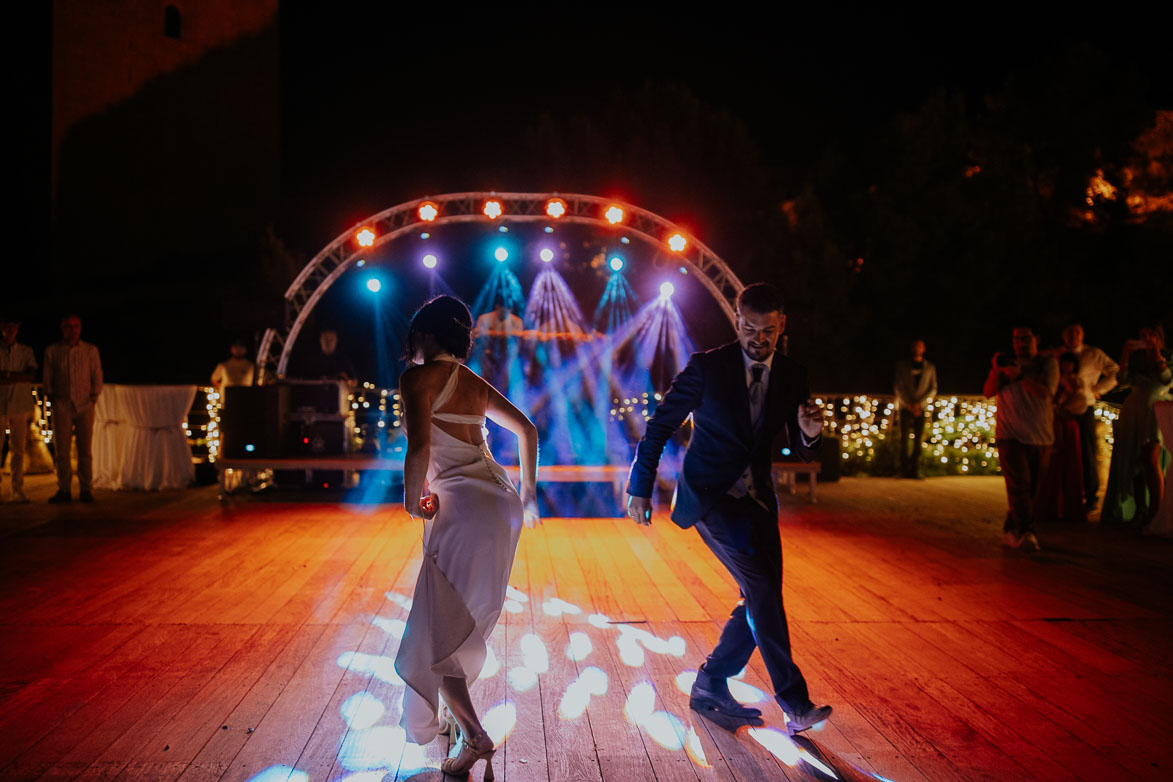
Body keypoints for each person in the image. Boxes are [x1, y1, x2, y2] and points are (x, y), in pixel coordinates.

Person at [625, 283, 832, 736]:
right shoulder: (707, 368)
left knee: (760, 594)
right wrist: (640, 487)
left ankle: (710, 683)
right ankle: (794, 703)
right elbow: (659, 427)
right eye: (750, 329)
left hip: (758, 499)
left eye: (768, 331)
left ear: (782, 327)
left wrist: (811, 433)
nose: (758, 339)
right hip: (711, 497)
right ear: (737, 322)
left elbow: (799, 447)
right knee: (762, 589)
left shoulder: (794, 374)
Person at [393, 295, 539, 780]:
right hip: (502, 501)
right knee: (464, 620)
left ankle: (474, 735)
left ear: (424, 336)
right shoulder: (473, 383)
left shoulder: (417, 378)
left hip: (463, 509)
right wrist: (531, 494)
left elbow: (419, 447)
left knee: (438, 628)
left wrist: (413, 500)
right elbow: (528, 429)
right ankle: (460, 729)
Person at [983, 326, 1059, 551]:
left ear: (1036, 339)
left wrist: (1021, 376)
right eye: (1016, 339)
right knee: (1019, 486)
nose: (1020, 343)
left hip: (1041, 436)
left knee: (1031, 490)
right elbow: (988, 391)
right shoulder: (1006, 364)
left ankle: (1010, 529)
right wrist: (998, 372)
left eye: (1025, 338)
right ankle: (1027, 533)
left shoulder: (1047, 364)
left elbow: (1047, 393)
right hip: (1010, 435)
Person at [1101, 325, 1172, 525]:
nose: (1146, 339)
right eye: (1142, 336)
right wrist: (1125, 354)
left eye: (1151, 335)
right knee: (1134, 460)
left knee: (1151, 459)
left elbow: (1167, 379)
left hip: (1155, 409)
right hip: (1133, 409)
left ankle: (1156, 511)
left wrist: (1156, 353)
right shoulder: (1136, 359)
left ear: (1159, 338)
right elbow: (1122, 379)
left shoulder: (1167, 356)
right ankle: (1139, 509)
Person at [43, 314, 104, 503]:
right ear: (63, 328)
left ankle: (86, 488)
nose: (73, 330)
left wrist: (94, 395)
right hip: (62, 403)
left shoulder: (90, 350)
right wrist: (52, 396)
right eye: (69, 326)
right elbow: (48, 376)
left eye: (76, 326)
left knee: (84, 449)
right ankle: (64, 489)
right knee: (62, 450)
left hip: (85, 403)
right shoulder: (53, 351)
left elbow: (96, 374)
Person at [1060, 323, 1118, 512]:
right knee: (1063, 452)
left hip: (1085, 407)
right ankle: (1065, 495)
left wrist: (1098, 389)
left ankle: (1091, 494)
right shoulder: (1058, 355)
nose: (1072, 336)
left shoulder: (1093, 354)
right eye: (1068, 332)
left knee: (1087, 451)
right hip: (1061, 409)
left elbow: (1114, 371)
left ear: (1082, 334)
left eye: (1076, 332)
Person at [1035, 352, 1088, 523]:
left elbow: (1079, 399)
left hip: (1067, 423)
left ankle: (1067, 508)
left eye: (1069, 364)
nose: (1066, 367)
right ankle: (1052, 507)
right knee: (1053, 466)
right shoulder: (1052, 378)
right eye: (1063, 364)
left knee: (1069, 464)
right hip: (1053, 422)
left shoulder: (1076, 381)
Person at [0, 317, 38, 503]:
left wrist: (8, 375)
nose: (11, 329)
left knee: (18, 448)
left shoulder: (25, 351)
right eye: (7, 326)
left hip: (19, 404)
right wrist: (17, 376)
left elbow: (31, 374)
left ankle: (17, 488)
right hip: (1, 405)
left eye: (13, 326)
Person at [893, 339, 937, 478]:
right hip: (905, 407)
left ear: (924, 349)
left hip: (921, 409)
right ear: (912, 348)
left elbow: (933, 388)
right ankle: (903, 470)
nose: (918, 348)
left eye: (921, 346)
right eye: (915, 346)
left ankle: (915, 469)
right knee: (903, 439)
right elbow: (898, 386)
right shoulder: (901, 366)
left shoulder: (930, 367)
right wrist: (908, 404)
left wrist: (920, 404)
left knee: (918, 440)